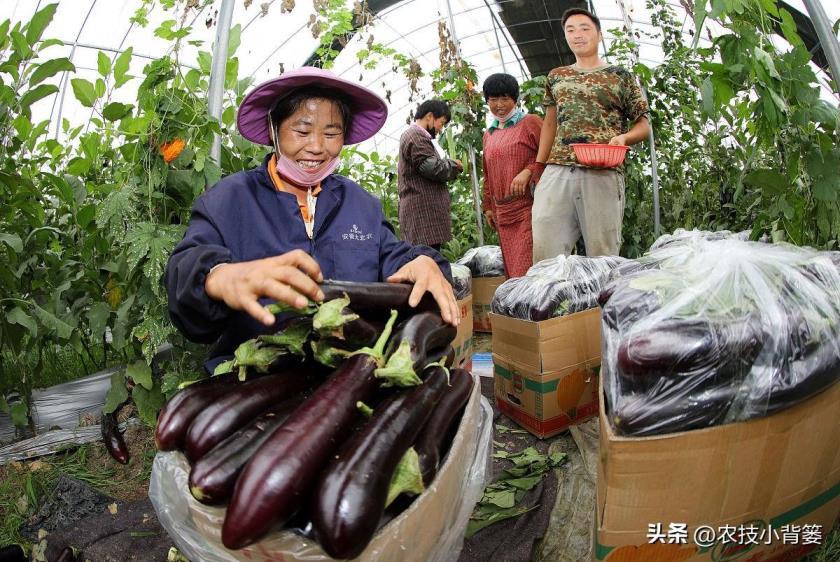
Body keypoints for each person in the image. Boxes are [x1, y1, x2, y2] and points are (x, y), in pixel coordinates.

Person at [165, 67, 460, 372]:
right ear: (273, 130)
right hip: (251, 383)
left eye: (331, 133)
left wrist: (425, 263)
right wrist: (217, 276)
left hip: (348, 379)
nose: (317, 146)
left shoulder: (360, 204)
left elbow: (395, 257)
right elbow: (186, 276)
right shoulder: (229, 199)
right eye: (302, 131)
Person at [530, 8, 650, 261]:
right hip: (559, 168)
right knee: (545, 248)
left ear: (599, 35)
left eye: (585, 28)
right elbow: (550, 125)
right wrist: (539, 166)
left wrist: (623, 138)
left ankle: (601, 300)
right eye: (570, 30)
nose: (577, 35)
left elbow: (643, 125)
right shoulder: (557, 76)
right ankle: (553, 299)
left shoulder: (620, 77)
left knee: (602, 254)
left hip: (602, 170)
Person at [481, 73, 543, 278]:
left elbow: (552, 153)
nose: (499, 104)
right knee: (511, 272)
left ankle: (529, 310)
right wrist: (489, 207)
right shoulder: (488, 134)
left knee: (524, 270)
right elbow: (488, 174)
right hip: (502, 214)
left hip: (527, 209)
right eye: (493, 99)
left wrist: (529, 171)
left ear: (515, 99)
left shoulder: (530, 123)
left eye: (505, 98)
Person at [397, 99, 463, 251]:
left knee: (427, 260)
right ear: (429, 116)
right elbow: (431, 168)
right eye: (442, 122)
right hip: (423, 219)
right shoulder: (416, 136)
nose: (441, 129)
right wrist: (454, 165)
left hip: (424, 219)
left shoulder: (416, 136)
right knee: (426, 262)